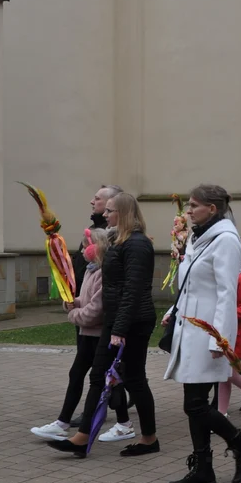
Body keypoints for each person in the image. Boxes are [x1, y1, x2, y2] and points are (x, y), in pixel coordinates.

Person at [164, 186, 241, 483]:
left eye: (195, 205)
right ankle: (203, 468)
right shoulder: (200, 236)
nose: (189, 210)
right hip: (191, 328)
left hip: (207, 333)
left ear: (213, 209)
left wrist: (219, 340)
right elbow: (193, 284)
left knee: (195, 405)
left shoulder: (226, 241)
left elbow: (225, 292)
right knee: (194, 403)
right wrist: (174, 308)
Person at [46, 193, 160, 457]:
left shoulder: (138, 245)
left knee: (134, 379)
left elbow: (132, 290)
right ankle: (82, 437)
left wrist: (119, 330)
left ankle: (149, 438)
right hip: (115, 320)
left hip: (133, 323)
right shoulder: (118, 242)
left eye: (110, 211)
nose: (105, 215)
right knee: (98, 375)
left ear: (123, 213)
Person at [31, 228, 132, 441]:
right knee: (76, 374)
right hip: (87, 335)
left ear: (99, 246)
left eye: (87, 246)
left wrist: (73, 314)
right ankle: (62, 422)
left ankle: (124, 423)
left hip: (99, 336)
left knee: (110, 380)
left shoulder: (106, 272)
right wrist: (73, 302)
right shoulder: (90, 270)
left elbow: (95, 309)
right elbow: (86, 300)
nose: (84, 250)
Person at [67, 184, 123, 428]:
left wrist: (79, 312)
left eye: (99, 199)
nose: (93, 202)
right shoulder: (93, 231)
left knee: (99, 373)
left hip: (98, 322)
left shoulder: (111, 238)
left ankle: (83, 420)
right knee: (103, 373)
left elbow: (107, 295)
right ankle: (115, 414)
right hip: (85, 311)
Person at [215, 237, 241, 415]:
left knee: (227, 373)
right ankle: (221, 412)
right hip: (227, 332)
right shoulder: (229, 275)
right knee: (224, 376)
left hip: (237, 333)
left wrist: (225, 314)